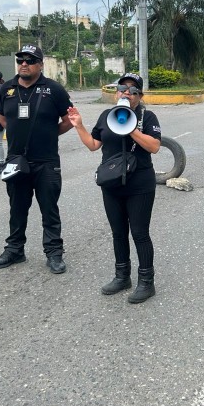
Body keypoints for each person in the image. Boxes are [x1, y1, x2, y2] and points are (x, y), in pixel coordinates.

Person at [67, 72, 161, 303]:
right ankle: (122, 276)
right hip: (111, 183)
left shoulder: (147, 117)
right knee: (118, 232)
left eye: (133, 90)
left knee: (139, 233)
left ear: (140, 96)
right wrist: (79, 126)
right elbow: (93, 145)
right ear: (116, 93)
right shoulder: (106, 116)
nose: (126, 93)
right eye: (122, 89)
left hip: (140, 184)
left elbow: (154, 147)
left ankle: (146, 282)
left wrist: (130, 127)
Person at [0, 44, 74, 274]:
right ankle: (15, 250)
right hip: (16, 160)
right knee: (17, 208)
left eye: (30, 60)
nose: (24, 64)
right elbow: (3, 118)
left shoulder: (54, 89)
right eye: (20, 60)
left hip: (46, 161)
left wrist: (49, 134)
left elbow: (69, 120)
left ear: (40, 64)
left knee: (49, 209)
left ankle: (54, 253)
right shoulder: (6, 89)